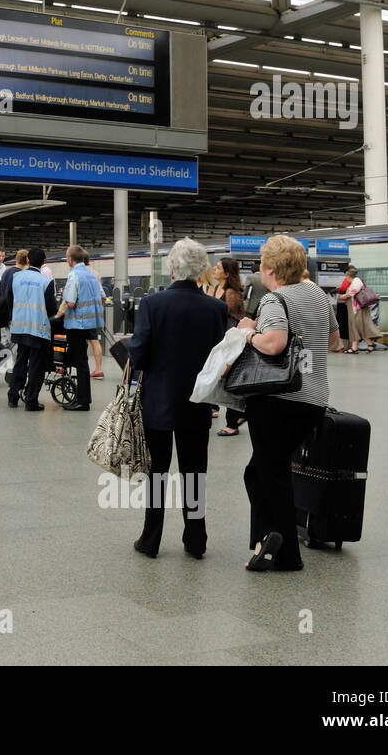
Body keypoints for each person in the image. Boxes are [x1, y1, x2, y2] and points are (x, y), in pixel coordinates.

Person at [237, 235, 339, 572]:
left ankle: (284, 553)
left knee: (270, 474)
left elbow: (275, 343)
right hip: (313, 398)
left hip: (277, 399)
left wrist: (248, 332)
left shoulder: (274, 300)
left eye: (261, 264)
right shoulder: (319, 295)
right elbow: (333, 340)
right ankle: (265, 541)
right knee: (264, 470)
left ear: (270, 269)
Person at [126, 238, 227, 559]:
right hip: (198, 401)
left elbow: (139, 353)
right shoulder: (216, 308)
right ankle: (196, 541)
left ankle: (150, 539)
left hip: (158, 400)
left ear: (172, 270)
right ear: (201, 272)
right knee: (195, 471)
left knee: (157, 470)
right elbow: (219, 357)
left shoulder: (152, 305)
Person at [6, 247, 58, 412]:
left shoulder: (15, 277)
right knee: (36, 365)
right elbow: (51, 309)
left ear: (28, 260)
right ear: (44, 262)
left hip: (19, 327)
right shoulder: (46, 282)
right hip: (38, 329)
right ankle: (31, 401)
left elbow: (9, 300)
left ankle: (13, 396)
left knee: (20, 362)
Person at [53, 245, 102, 411]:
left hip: (76, 325)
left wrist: (58, 316)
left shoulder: (74, 274)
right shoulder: (92, 274)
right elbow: (102, 297)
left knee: (80, 362)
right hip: (90, 323)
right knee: (82, 362)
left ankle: (83, 401)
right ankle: (82, 398)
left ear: (70, 259)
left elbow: (71, 301)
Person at [209, 257, 248, 437]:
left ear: (226, 273)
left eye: (218, 268)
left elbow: (231, 320)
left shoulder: (231, 292)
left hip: (230, 342)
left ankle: (234, 420)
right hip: (218, 341)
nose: (214, 269)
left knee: (230, 380)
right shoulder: (217, 288)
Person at [339, 266, 382, 354]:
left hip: (358, 309)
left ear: (348, 276)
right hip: (355, 308)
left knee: (357, 327)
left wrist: (344, 296)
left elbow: (353, 292)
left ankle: (369, 343)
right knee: (355, 328)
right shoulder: (355, 281)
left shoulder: (356, 281)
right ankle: (356, 347)